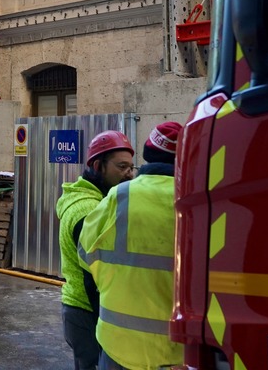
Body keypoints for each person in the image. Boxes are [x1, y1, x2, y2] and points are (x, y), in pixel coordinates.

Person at [79, 121, 183, 370]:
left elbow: (84, 254)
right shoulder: (198, 200)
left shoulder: (120, 196)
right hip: (176, 353)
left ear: (147, 156)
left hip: (118, 347)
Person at [57, 130, 137, 370]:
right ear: (98, 165)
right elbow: (94, 275)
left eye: (132, 168)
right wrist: (109, 320)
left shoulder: (100, 201)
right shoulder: (88, 211)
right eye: (122, 167)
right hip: (87, 312)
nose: (129, 174)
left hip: (83, 310)